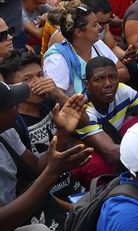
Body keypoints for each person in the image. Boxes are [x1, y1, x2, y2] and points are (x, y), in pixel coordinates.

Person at [0, 83, 92, 231]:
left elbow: (37, 167)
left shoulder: (6, 132)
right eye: (11, 105)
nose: (18, 106)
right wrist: (52, 172)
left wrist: (63, 131)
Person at [73, 56, 138, 183]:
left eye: (113, 77)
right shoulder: (83, 109)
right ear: (87, 85)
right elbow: (110, 153)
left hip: (114, 140)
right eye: (99, 79)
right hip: (85, 156)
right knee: (99, 164)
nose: (108, 84)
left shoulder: (122, 90)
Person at [43, 1, 132, 96]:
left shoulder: (98, 45)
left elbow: (124, 73)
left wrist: (97, 79)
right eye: (94, 25)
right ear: (79, 32)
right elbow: (56, 96)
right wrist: (105, 77)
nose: (99, 27)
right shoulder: (57, 58)